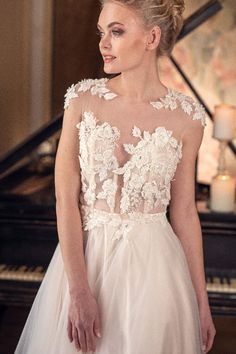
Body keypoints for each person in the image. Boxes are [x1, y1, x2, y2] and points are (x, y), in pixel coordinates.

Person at [15, 0, 216, 353]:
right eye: (101, 32)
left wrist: (201, 301)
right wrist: (78, 290)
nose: (103, 43)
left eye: (116, 31)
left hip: (156, 273)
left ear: (152, 37)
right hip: (84, 265)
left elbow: (184, 212)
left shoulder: (189, 118)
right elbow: (66, 199)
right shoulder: (82, 100)